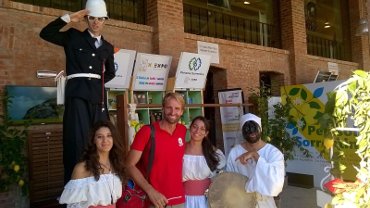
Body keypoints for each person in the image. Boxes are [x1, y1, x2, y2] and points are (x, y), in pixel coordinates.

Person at [39, 0, 116, 183]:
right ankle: (76, 185)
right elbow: (46, 33)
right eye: (92, 18)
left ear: (105, 20)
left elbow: (111, 72)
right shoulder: (74, 37)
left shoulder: (108, 47)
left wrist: (96, 84)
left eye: (100, 19)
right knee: (76, 140)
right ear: (87, 19)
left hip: (98, 98)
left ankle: (101, 181)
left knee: (102, 138)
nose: (96, 22)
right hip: (77, 96)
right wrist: (69, 18)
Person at [127, 92, 187, 208]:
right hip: (154, 200)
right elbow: (129, 165)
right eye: (169, 107)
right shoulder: (147, 131)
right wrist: (150, 191)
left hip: (179, 200)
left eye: (177, 108)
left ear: (182, 111)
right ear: (163, 108)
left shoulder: (182, 131)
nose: (173, 112)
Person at [59, 120, 127, 207]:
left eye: (109, 136)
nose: (105, 140)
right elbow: (73, 205)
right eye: (100, 137)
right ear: (93, 140)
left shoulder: (116, 164)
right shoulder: (82, 168)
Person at [226, 113, 285, 208]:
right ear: (242, 131)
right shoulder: (235, 152)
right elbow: (229, 180)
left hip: (265, 203)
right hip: (240, 202)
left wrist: (256, 156)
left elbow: (276, 184)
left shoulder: (273, 153)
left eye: (254, 128)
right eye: (247, 129)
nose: (252, 132)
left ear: (260, 129)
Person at [182, 116, 226, 208]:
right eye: (195, 126)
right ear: (190, 128)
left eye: (202, 129)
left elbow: (220, 176)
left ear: (206, 133)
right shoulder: (180, 149)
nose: (197, 131)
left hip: (206, 199)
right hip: (183, 199)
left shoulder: (213, 153)